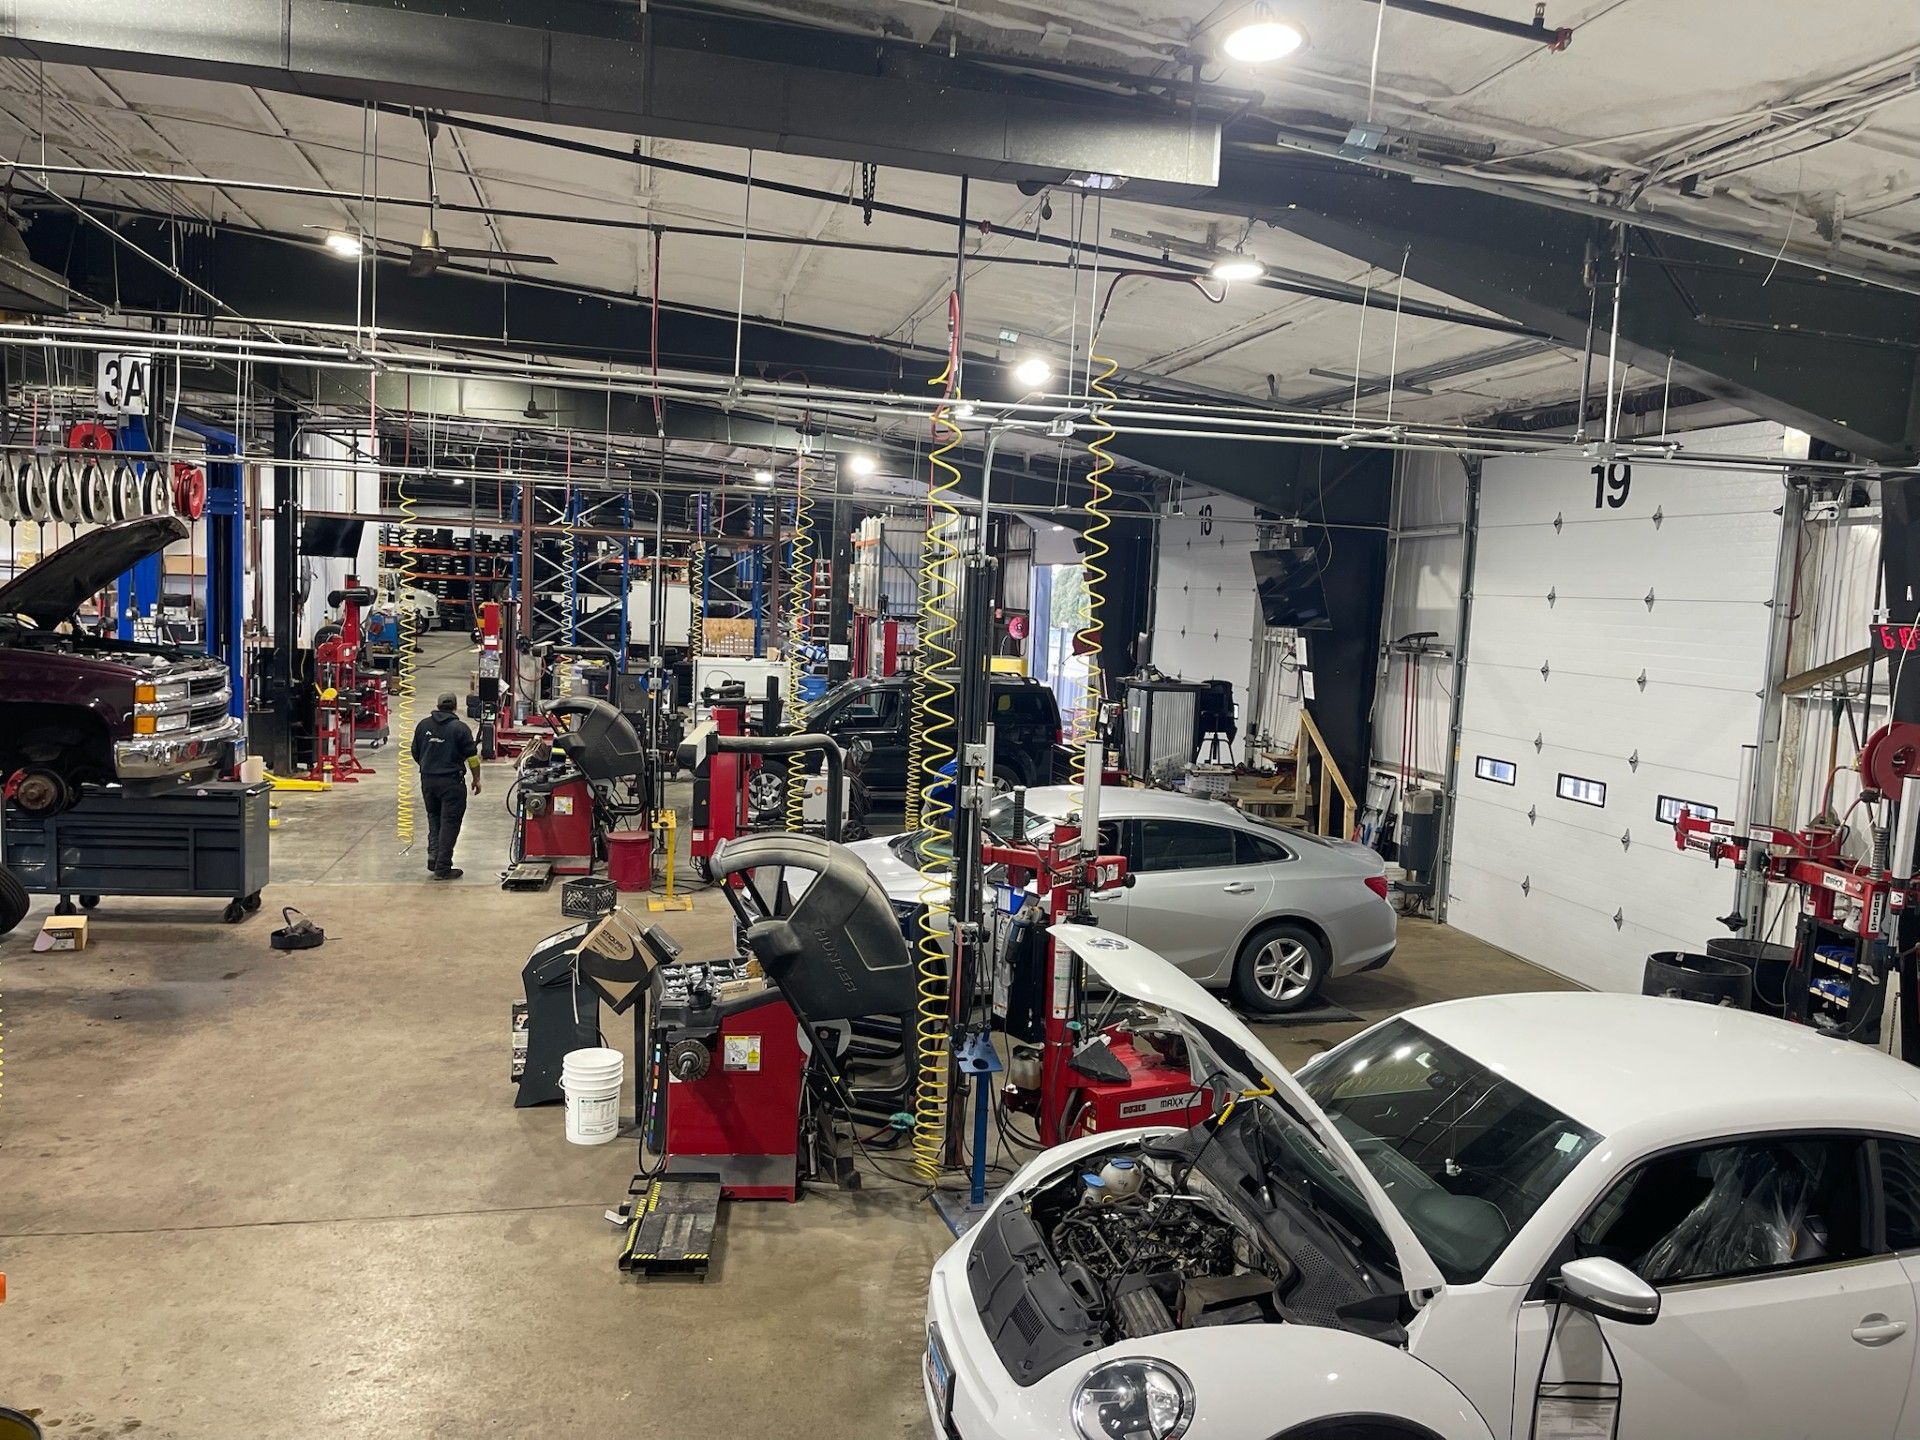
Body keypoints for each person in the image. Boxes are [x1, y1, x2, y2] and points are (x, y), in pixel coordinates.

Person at [412, 692, 481, 879]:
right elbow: (473, 758)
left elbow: (415, 753)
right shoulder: (460, 728)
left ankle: (433, 859)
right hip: (451, 782)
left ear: (438, 705)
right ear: (455, 706)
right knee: (450, 824)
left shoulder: (423, 725)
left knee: (434, 820)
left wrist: (430, 767)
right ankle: (442, 868)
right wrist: (477, 779)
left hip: (428, 781)